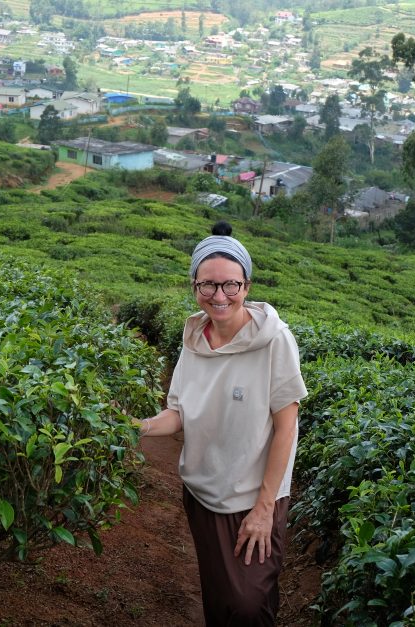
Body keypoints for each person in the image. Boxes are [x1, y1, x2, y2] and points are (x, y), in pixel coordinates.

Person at [136, 220, 308, 626]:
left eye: (230, 284)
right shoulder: (194, 339)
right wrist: (136, 426)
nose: (219, 295)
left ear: (246, 286)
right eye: (208, 285)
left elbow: (287, 427)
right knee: (220, 596)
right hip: (203, 495)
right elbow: (178, 413)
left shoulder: (275, 340)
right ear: (194, 287)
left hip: (254, 497)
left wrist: (265, 508)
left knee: (248, 605)